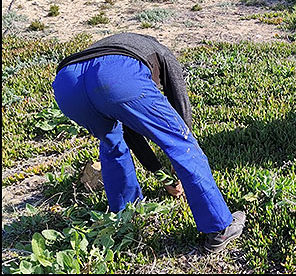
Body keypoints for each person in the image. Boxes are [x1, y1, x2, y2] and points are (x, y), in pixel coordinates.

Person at [52, 32, 245, 253]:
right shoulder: (161, 52)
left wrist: (161, 174)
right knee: (182, 143)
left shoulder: (127, 46)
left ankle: (126, 219)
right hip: (115, 75)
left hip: (67, 84)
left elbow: (128, 129)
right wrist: (179, 153)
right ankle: (220, 228)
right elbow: (179, 102)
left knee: (112, 145)